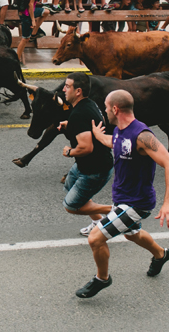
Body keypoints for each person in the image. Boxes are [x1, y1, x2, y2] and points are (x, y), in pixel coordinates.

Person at [77, 89, 169, 298]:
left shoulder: (142, 135)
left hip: (137, 203)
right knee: (133, 235)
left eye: (106, 107)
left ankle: (102, 279)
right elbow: (114, 142)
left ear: (115, 109)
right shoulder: (119, 130)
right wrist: (98, 136)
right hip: (123, 199)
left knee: (95, 238)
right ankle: (161, 255)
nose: (105, 112)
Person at [57, 72, 114, 237]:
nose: (63, 89)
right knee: (69, 187)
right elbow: (91, 123)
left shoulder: (79, 114)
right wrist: (71, 125)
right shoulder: (90, 104)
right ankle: (98, 222)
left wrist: (69, 152)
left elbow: (85, 148)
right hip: (88, 165)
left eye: (67, 86)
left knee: (71, 205)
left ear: (78, 91)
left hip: (95, 171)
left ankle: (117, 210)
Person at [16, 0, 50, 64]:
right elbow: (30, 4)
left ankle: (34, 33)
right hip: (27, 14)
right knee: (25, 39)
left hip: (28, 11)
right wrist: (33, 20)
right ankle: (17, 59)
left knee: (46, 12)